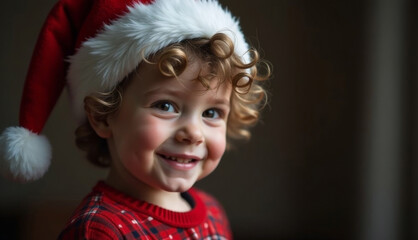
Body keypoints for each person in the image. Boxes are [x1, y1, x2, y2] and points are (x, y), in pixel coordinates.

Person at [0, 0, 270, 239]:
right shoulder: (99, 230)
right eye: (165, 106)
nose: (194, 133)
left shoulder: (213, 213)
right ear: (103, 116)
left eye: (211, 113)